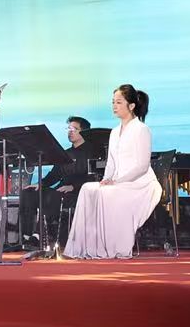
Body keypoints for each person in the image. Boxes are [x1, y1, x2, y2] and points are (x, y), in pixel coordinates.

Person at [65, 85, 159, 259]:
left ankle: (111, 247)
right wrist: (107, 178)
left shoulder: (141, 129)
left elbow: (142, 166)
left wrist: (118, 181)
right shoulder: (115, 132)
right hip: (118, 181)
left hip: (139, 183)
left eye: (119, 102)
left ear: (131, 106)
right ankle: (85, 247)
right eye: (113, 102)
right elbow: (111, 162)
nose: (114, 106)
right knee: (87, 188)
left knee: (108, 193)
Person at [19, 116, 93, 243]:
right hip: (61, 189)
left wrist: (73, 187)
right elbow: (54, 175)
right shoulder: (66, 153)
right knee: (28, 193)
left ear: (84, 132)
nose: (70, 132)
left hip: (78, 191)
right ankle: (25, 235)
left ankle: (39, 235)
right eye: (68, 129)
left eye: (74, 129)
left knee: (52, 195)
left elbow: (93, 177)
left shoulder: (92, 152)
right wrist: (40, 184)